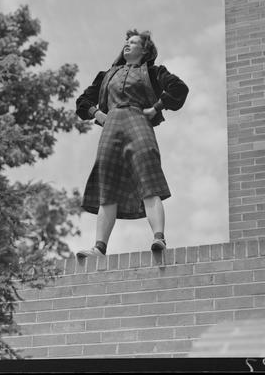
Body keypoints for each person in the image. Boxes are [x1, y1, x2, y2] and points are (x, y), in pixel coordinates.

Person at [75, 29, 189, 257]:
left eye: (133, 42)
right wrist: (97, 114)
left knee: (149, 178)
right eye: (126, 42)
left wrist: (156, 108)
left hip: (139, 122)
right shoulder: (107, 74)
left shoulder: (154, 71)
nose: (127, 44)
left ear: (144, 50)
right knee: (106, 186)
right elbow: (82, 101)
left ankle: (159, 239)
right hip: (111, 127)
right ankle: (99, 248)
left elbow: (179, 89)